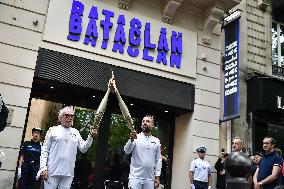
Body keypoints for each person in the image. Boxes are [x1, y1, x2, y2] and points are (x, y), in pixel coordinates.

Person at [124, 115, 162, 189]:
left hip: (150, 178)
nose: (145, 123)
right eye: (143, 121)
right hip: (135, 177)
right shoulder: (135, 137)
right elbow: (127, 151)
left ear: (152, 125)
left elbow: (158, 160)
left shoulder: (156, 141)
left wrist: (157, 177)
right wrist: (131, 140)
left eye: (148, 121)